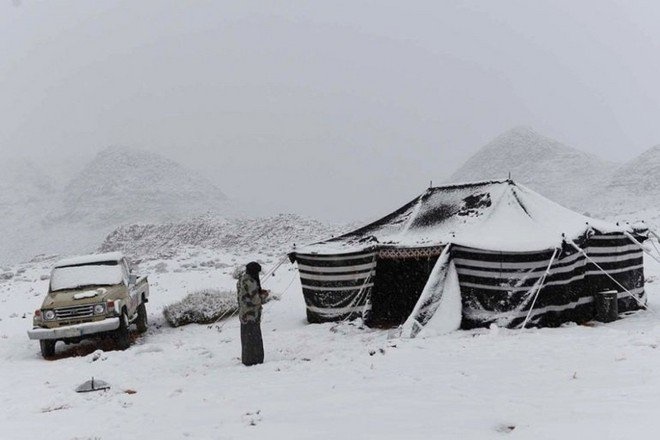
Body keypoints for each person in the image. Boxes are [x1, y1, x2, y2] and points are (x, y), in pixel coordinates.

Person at [237, 261, 269, 366]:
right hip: (252, 315)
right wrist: (264, 295)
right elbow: (255, 300)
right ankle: (255, 359)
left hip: (243, 314)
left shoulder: (241, 279)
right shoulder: (251, 282)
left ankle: (247, 359)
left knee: (246, 339)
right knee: (254, 338)